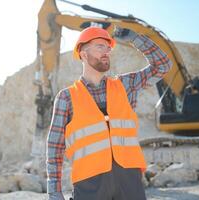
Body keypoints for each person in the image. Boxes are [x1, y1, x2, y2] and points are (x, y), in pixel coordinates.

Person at [47, 26, 173, 200]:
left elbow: (163, 65)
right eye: (100, 46)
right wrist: (54, 191)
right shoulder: (66, 97)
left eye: (108, 48)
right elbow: (55, 147)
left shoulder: (126, 85)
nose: (106, 51)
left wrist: (135, 39)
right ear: (83, 54)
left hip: (128, 179)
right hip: (89, 182)